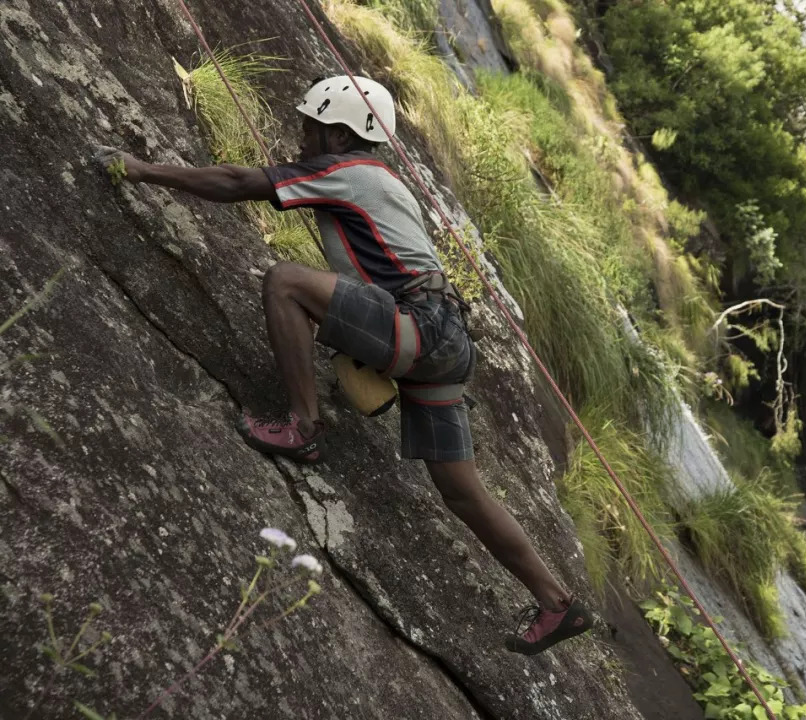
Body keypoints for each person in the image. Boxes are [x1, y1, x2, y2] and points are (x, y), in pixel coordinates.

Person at [95, 75, 593, 655]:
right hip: (447, 341)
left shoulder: (348, 172)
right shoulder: (383, 181)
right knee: (461, 490)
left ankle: (302, 428)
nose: (302, 137)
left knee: (285, 282)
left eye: (310, 127)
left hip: (418, 326)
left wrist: (141, 169)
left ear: (338, 132)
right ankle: (557, 602)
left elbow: (238, 181)